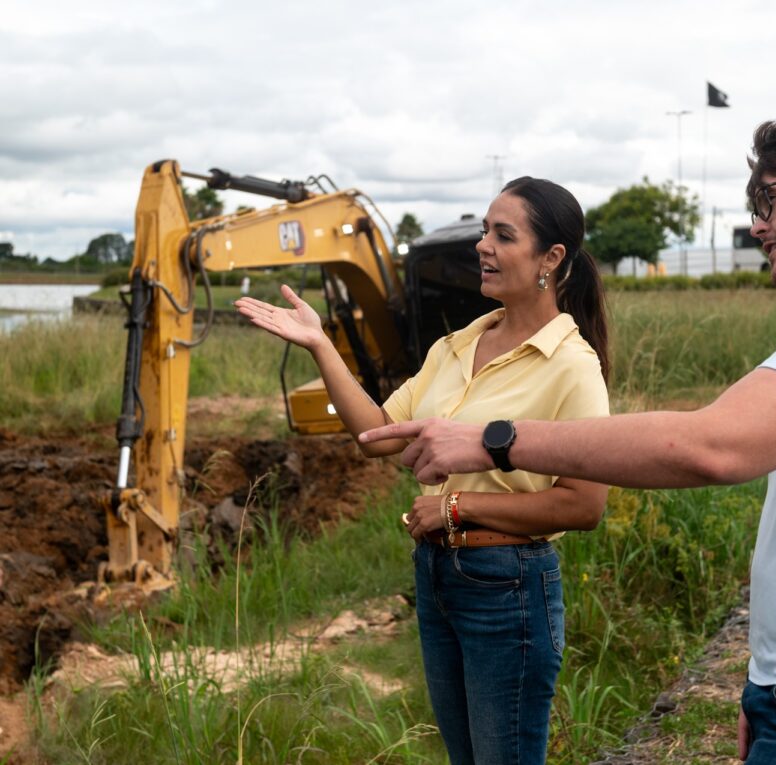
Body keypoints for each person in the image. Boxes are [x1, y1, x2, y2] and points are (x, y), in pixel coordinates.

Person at [360, 121, 776, 765]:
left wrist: (496, 442)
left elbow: (710, 446)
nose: (757, 224)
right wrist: (770, 689)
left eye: (768, 200)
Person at [236, 176, 611, 764]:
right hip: (438, 576)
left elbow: (584, 505)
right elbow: (376, 434)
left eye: (503, 235)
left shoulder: (571, 365)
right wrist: (320, 345)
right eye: (485, 231)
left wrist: (459, 506)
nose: (483, 245)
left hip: (508, 585)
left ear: (551, 258)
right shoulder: (457, 345)